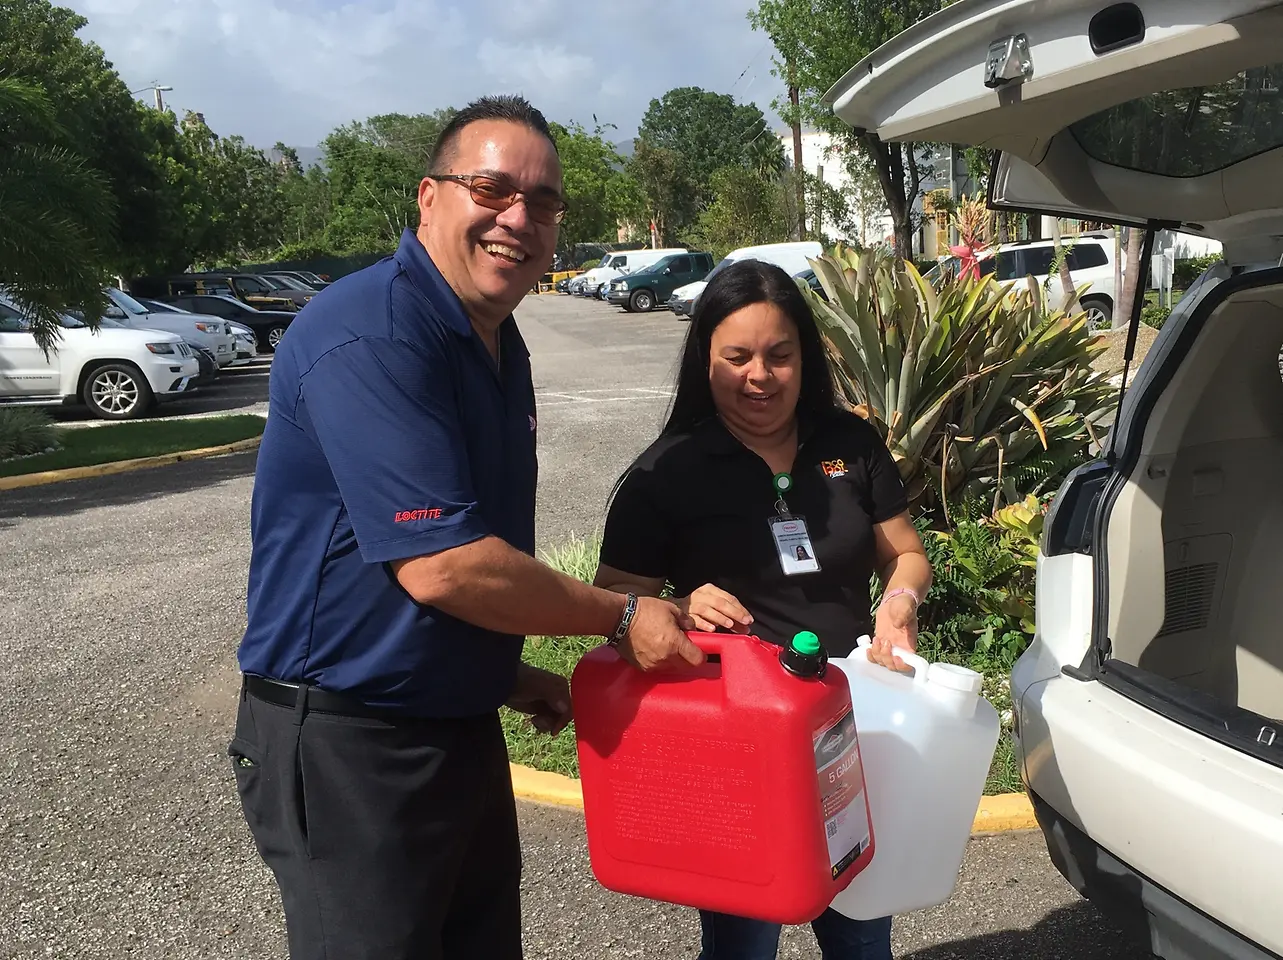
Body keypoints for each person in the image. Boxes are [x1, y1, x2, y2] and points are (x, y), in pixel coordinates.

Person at [228, 94, 704, 960]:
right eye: (492, 188)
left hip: (451, 726)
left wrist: (500, 670)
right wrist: (622, 616)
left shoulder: (494, 341)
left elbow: (430, 558)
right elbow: (441, 565)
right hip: (349, 743)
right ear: (428, 197)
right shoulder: (371, 331)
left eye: (544, 202)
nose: (517, 217)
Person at [593, 258, 933, 960]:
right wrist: (680, 607)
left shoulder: (848, 444)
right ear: (704, 359)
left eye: (780, 355)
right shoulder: (667, 472)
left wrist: (898, 602)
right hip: (739, 748)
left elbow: (904, 552)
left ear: (804, 357)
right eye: (737, 356)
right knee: (743, 945)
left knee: (861, 933)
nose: (760, 375)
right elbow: (614, 605)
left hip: (843, 729)